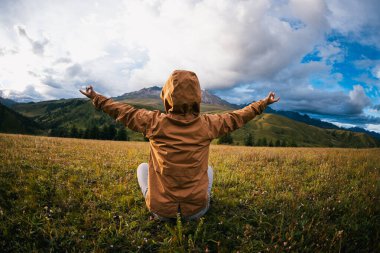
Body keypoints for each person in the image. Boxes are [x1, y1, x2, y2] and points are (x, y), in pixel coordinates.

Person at [80, 70, 280, 220]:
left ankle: (158, 200)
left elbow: (124, 112)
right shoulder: (208, 125)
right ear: (197, 97)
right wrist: (262, 103)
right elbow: (237, 117)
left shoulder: (154, 122)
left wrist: (96, 97)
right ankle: (197, 200)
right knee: (208, 169)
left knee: (142, 168)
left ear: (167, 96)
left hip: (160, 211)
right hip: (197, 211)